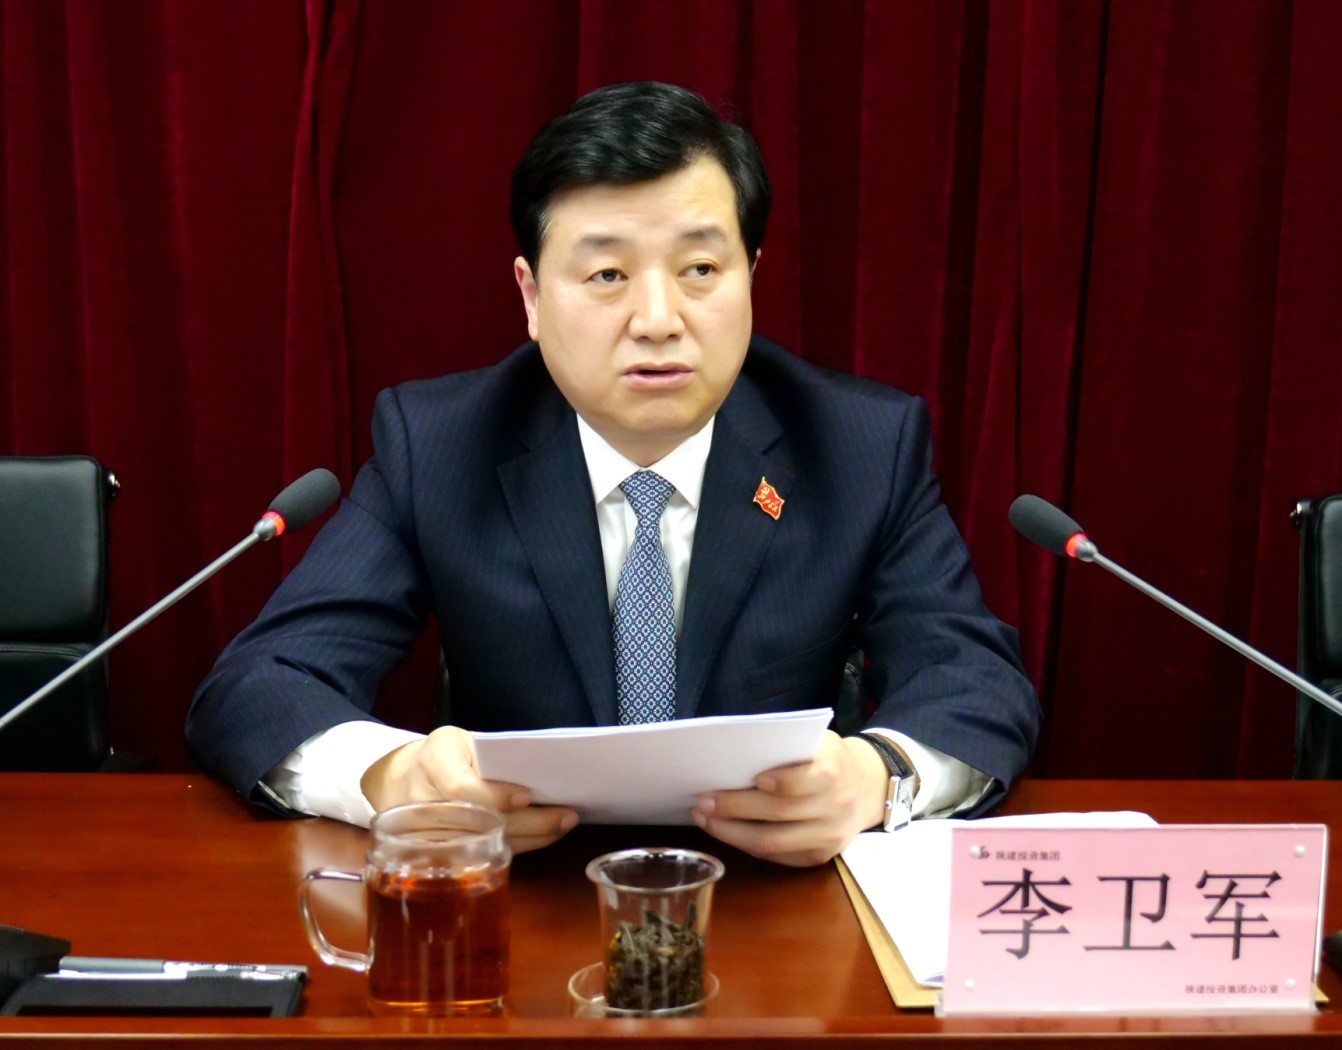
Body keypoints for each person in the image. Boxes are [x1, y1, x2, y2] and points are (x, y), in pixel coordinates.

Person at [187, 81, 1041, 867]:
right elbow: (262, 685)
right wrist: (392, 779)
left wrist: (878, 778)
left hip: (772, 900)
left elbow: (976, 680)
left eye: (700, 270)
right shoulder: (441, 445)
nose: (659, 320)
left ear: (751, 277)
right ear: (531, 296)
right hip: (523, 906)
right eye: (607, 275)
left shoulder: (857, 447)